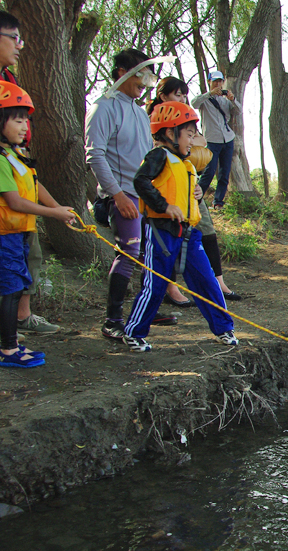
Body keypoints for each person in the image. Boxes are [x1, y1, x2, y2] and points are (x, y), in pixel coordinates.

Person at [122, 101, 238, 352]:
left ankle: (224, 328)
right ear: (169, 133)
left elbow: (180, 189)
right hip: (162, 232)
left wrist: (195, 192)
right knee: (156, 284)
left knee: (206, 280)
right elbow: (141, 181)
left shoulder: (185, 163)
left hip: (189, 235)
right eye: (188, 134)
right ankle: (134, 332)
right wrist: (164, 206)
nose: (193, 140)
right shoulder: (159, 156)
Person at [85, 49, 177, 341]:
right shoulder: (103, 108)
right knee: (128, 252)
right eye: (140, 73)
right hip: (121, 197)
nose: (145, 81)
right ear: (122, 70)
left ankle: (146, 309)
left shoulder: (139, 112)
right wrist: (118, 196)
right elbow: (95, 156)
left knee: (150, 255)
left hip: (145, 198)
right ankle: (112, 320)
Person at [0, 81, 78, 367]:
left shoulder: (15, 156)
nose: (24, 126)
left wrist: (58, 207)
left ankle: (9, 343)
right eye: (18, 119)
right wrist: (54, 214)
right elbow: (15, 202)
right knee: (9, 289)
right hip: (5, 235)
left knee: (16, 286)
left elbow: (34, 185)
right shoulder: (0, 159)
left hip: (17, 233)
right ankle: (8, 349)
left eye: (26, 120)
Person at [147, 77, 241, 306]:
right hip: (167, 194)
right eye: (177, 95)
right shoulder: (155, 122)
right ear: (163, 96)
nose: (182, 99)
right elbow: (146, 174)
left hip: (191, 187)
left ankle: (219, 282)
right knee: (167, 243)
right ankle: (171, 289)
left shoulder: (185, 117)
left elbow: (200, 141)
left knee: (207, 231)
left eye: (183, 95)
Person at [0, 10, 57, 334]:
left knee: (26, 257)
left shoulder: (9, 81)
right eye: (14, 38)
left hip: (16, 171)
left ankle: (20, 319)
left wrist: (55, 209)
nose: (20, 46)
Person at [190, 69, 239, 210]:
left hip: (227, 139)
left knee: (224, 173)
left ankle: (218, 202)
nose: (218, 84)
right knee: (209, 172)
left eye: (220, 81)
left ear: (223, 82)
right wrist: (209, 94)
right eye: (215, 81)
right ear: (209, 82)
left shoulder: (225, 101)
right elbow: (194, 103)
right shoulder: (205, 100)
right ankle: (195, 198)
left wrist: (232, 99)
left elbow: (238, 110)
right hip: (212, 140)